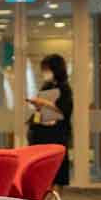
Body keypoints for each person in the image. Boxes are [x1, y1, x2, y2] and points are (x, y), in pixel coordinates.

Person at [26, 52, 74, 184]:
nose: (44, 73)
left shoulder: (64, 88)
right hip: (42, 131)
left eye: (47, 69)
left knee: (57, 170)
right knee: (41, 168)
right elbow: (40, 111)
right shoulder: (46, 86)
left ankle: (55, 195)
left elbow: (64, 110)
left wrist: (43, 103)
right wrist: (37, 105)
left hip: (57, 133)